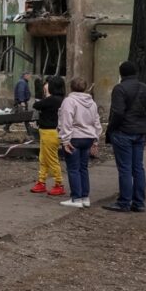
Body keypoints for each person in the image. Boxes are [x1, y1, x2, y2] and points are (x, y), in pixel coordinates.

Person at [104, 61, 146, 212]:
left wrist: (111, 129)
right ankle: (139, 202)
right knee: (138, 168)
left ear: (121, 73)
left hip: (123, 132)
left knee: (125, 169)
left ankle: (124, 202)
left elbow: (118, 112)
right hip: (140, 132)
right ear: (136, 72)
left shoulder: (119, 89)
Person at [58, 77, 102, 209]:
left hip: (74, 138)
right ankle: (85, 197)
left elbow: (66, 120)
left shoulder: (69, 101)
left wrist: (65, 140)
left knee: (73, 168)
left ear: (70, 87)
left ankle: (76, 197)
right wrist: (96, 139)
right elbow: (96, 121)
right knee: (83, 168)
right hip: (88, 137)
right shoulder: (92, 103)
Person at [30, 77, 67, 196]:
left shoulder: (52, 100)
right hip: (48, 132)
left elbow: (36, 105)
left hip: (50, 132)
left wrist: (45, 93)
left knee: (51, 159)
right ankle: (41, 181)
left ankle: (59, 183)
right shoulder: (62, 99)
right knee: (44, 158)